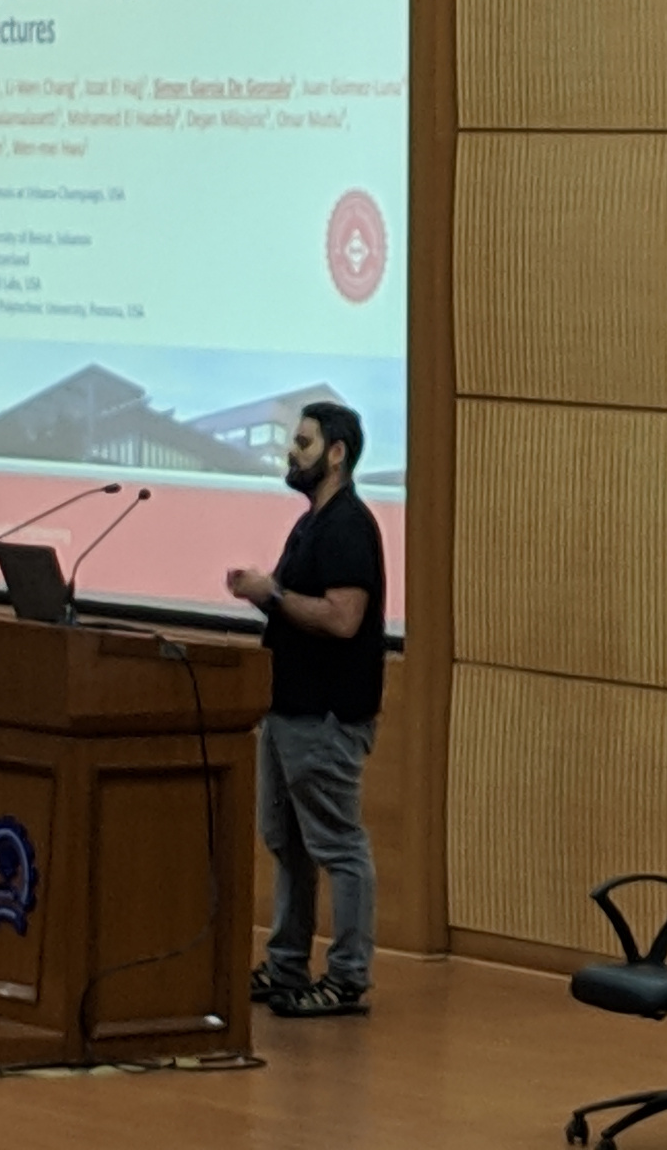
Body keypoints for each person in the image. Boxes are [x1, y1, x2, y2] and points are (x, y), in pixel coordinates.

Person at [226, 400, 386, 1019]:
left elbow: (344, 619)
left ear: (336, 453)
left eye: (303, 442)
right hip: (288, 709)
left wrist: (272, 594)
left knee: (337, 845)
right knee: (286, 842)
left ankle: (346, 978)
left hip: (325, 716)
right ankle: (287, 964)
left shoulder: (347, 525)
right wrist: (266, 594)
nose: (290, 452)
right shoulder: (311, 522)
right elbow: (297, 603)